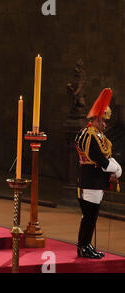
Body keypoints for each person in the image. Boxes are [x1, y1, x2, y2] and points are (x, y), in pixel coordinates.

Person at [74, 88, 122, 258]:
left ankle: (86, 245)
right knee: (89, 217)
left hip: (96, 182)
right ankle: (83, 247)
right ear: (97, 118)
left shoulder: (98, 135)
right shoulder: (88, 134)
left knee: (91, 218)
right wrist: (115, 168)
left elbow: (105, 156)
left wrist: (112, 166)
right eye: (103, 120)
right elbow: (99, 158)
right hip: (90, 182)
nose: (105, 124)